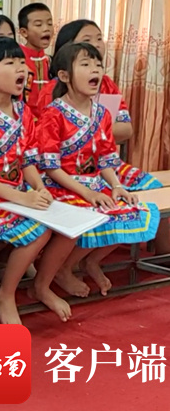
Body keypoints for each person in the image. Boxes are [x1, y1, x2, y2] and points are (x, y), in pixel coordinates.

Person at [0, 37, 77, 325]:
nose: (20, 68)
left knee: (63, 220)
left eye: (21, 62)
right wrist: (22, 197)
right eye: (9, 63)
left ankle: (38, 285)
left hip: (15, 196)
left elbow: (27, 162)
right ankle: (5, 294)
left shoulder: (23, 111)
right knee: (38, 231)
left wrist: (39, 187)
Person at [38, 42, 159, 297]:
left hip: (94, 185)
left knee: (132, 210)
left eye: (98, 64)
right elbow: (50, 168)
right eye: (85, 64)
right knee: (89, 211)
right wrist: (88, 193)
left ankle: (88, 262)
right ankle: (59, 272)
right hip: (61, 186)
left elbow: (105, 157)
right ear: (64, 76)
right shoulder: (53, 114)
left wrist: (116, 186)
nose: (95, 69)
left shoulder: (102, 114)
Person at [17, 2, 54, 116]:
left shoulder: (51, 61)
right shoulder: (17, 60)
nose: (46, 29)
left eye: (49, 24)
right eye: (39, 25)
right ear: (24, 32)